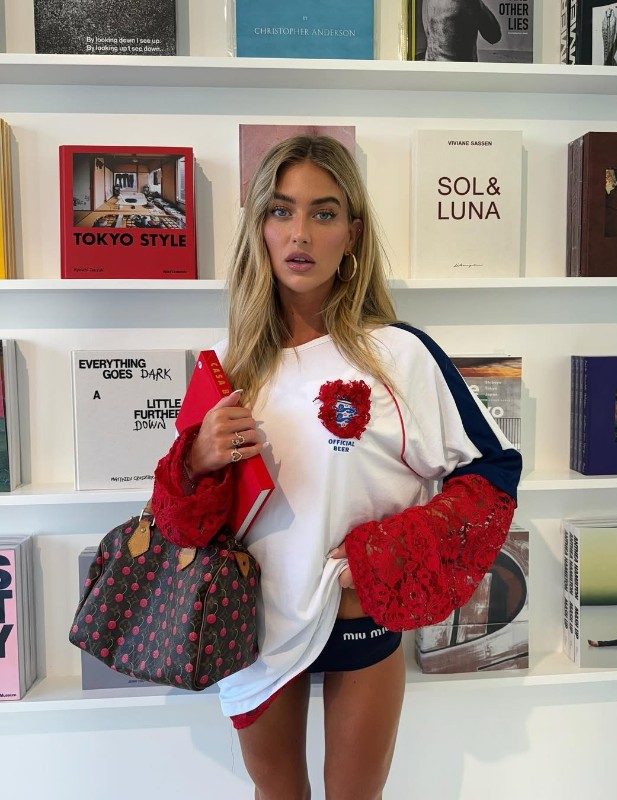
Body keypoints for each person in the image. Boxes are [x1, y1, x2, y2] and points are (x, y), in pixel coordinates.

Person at [151, 135, 522, 800]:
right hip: (253, 624)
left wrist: (389, 555)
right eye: (281, 210)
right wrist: (199, 458)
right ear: (259, 227)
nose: (300, 233)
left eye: (323, 213)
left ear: (352, 233)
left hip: (357, 615)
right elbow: (184, 525)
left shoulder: (399, 355)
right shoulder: (228, 361)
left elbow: (493, 470)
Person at [420, 0, 502, 62]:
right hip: (458, 73)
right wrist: (479, 4)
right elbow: (494, 37)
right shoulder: (469, 2)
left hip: (431, 67)